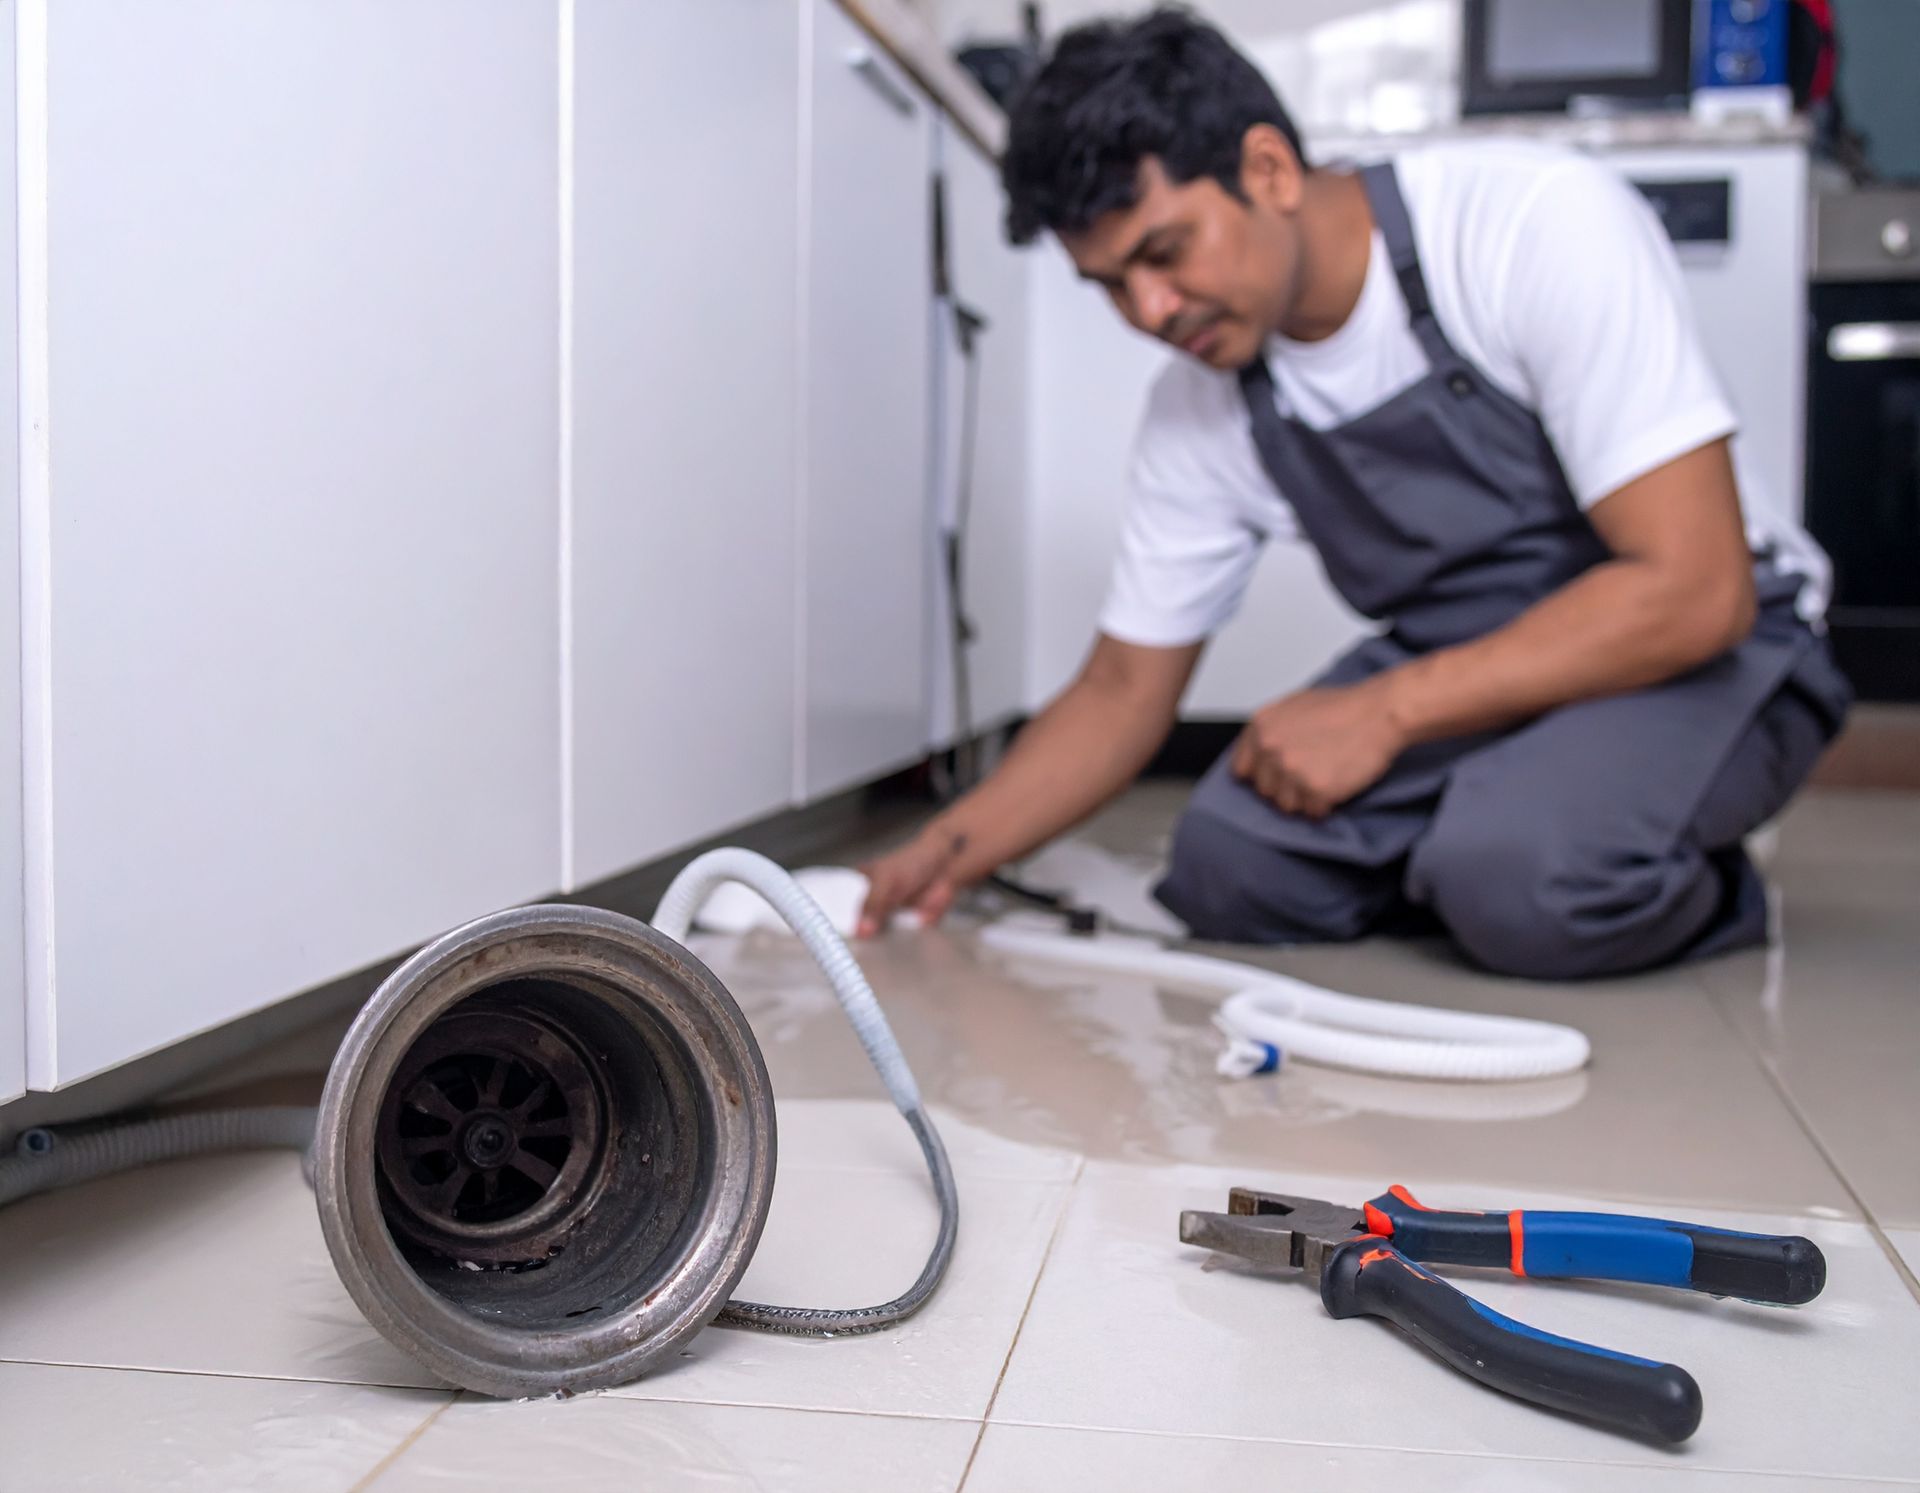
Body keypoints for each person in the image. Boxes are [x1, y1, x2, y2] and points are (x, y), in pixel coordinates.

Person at [857, 9, 1849, 979]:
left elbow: (1696, 587)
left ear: (1269, 170)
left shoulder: (1532, 225)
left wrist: (1387, 711)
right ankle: (1494, 833)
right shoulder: (1202, 405)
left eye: (1164, 253)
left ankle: (1663, 883)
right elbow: (1123, 691)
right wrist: (935, 854)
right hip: (1478, 662)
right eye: (1109, 284)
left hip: (1718, 644)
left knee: (1526, 880)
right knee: (1228, 866)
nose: (1149, 311)